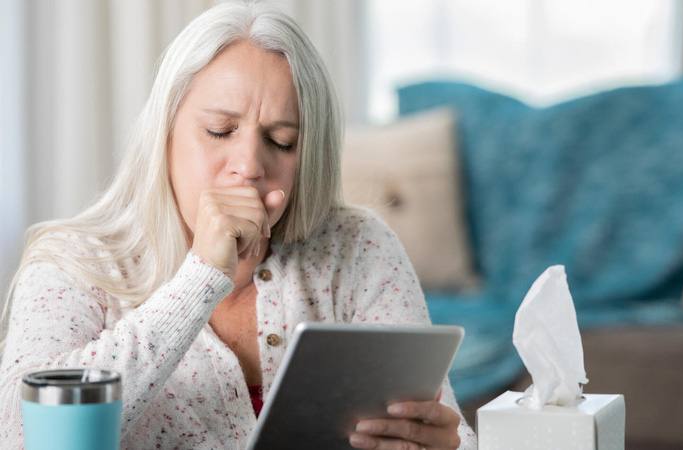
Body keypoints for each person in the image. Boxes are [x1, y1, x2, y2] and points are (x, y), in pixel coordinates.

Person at [0, 2, 477, 449]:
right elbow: (24, 435)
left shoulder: (358, 247)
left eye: (281, 141)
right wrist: (201, 276)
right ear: (163, 134)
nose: (249, 165)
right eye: (220, 132)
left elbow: (448, 428)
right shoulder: (71, 263)